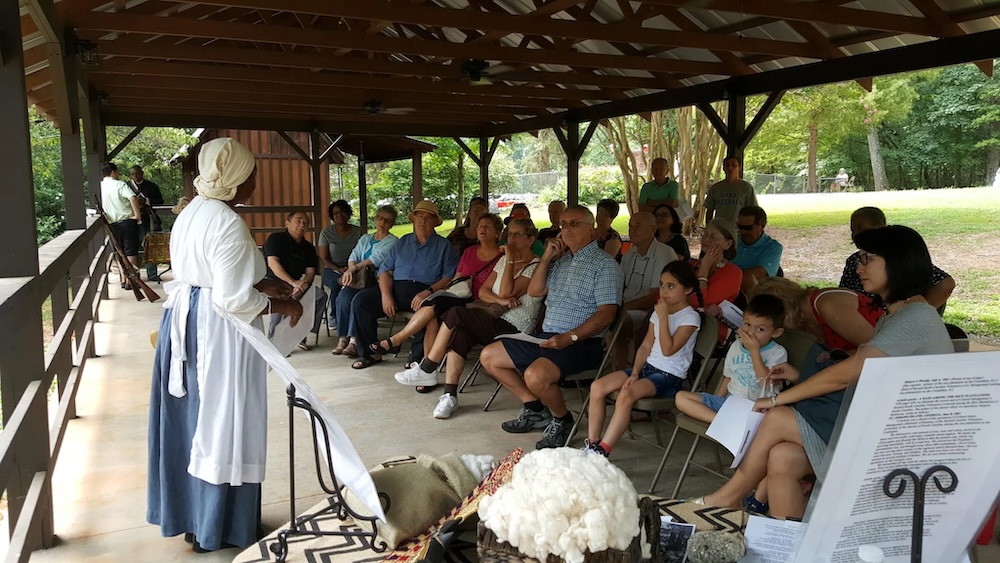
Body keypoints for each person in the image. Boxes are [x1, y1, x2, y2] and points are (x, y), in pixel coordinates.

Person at [695, 225, 952, 520]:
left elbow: (849, 372)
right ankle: (783, 543)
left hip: (899, 443)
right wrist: (798, 377)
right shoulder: (897, 315)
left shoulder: (915, 317)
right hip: (878, 428)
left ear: (898, 263)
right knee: (783, 458)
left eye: (868, 258)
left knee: (778, 416)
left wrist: (781, 398)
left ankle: (728, 497)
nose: (859, 265)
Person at [147, 137, 303, 553]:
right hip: (219, 331)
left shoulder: (193, 211)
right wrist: (281, 303)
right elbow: (234, 298)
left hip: (186, 322)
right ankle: (222, 525)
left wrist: (270, 288)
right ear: (237, 179)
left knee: (194, 420)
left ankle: (195, 519)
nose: (255, 180)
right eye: (251, 173)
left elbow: (227, 273)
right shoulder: (229, 223)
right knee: (225, 422)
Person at [479, 205, 623, 450]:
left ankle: (562, 419)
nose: (566, 229)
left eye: (574, 224)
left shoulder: (605, 265)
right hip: (546, 337)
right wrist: (545, 258)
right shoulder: (561, 261)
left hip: (581, 342)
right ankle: (535, 409)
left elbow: (607, 314)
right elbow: (535, 291)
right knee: (489, 356)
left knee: (535, 375)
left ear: (591, 230)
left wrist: (571, 337)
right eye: (564, 224)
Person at [393, 217, 543, 418]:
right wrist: (500, 300)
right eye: (509, 234)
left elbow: (507, 291)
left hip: (515, 328)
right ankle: (449, 396)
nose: (511, 239)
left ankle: (428, 367)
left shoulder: (535, 266)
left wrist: (510, 263)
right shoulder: (502, 261)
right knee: (460, 332)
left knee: (456, 313)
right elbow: (483, 293)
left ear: (531, 239)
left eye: (517, 234)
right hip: (493, 318)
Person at [584, 260, 701, 457]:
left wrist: (663, 317)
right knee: (597, 386)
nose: (664, 291)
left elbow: (667, 349)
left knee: (626, 394)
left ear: (688, 289)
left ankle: (602, 452)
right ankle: (592, 444)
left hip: (669, 377)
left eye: (671, 286)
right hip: (648, 369)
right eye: (662, 284)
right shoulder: (660, 311)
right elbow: (646, 345)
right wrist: (636, 372)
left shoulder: (689, 318)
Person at [367, 214, 503, 366]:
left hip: (481, 303)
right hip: (462, 296)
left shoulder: (502, 256)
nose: (482, 229)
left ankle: (402, 346)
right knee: (431, 306)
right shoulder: (469, 252)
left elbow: (451, 277)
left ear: (498, 233)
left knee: (431, 305)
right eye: (480, 226)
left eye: (487, 226)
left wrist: (431, 291)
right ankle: (422, 366)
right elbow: (456, 279)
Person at [350, 200, 459, 369]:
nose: (422, 221)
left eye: (427, 217)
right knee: (361, 302)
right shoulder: (402, 242)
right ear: (413, 219)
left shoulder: (444, 246)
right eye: (419, 216)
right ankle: (370, 353)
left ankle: (416, 359)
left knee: (428, 307)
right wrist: (386, 296)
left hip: (424, 291)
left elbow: (448, 277)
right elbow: (385, 271)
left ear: (434, 221)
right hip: (396, 289)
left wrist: (428, 291)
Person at [674, 294, 787, 423]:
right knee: (681, 397)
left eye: (760, 329)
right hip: (730, 403)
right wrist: (716, 400)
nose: (750, 332)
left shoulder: (777, 353)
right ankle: (721, 422)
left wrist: (754, 351)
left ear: (776, 332)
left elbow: (765, 384)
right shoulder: (736, 345)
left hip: (757, 409)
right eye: (747, 324)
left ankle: (726, 424)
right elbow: (728, 377)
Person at [839, 207, 955, 311]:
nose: (856, 234)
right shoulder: (852, 261)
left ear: (879, 227)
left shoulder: (897, 256)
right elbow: (842, 293)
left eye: (860, 228)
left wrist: (916, 312)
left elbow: (946, 284)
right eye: (853, 230)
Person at [331, 205, 399, 356]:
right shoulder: (365, 238)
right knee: (343, 298)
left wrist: (352, 269)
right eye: (380, 218)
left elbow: (374, 260)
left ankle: (354, 341)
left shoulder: (393, 241)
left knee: (358, 300)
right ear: (375, 219)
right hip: (358, 280)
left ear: (392, 224)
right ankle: (343, 338)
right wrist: (350, 269)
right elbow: (353, 256)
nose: (383, 222)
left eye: (387, 221)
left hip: (377, 281)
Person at [614, 212, 678, 368]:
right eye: (630, 226)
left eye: (638, 226)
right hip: (628, 308)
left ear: (652, 229)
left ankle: (624, 371)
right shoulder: (629, 254)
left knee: (617, 321)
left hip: (653, 312)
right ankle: (617, 370)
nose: (632, 230)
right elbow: (617, 286)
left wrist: (622, 309)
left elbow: (655, 296)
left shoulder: (664, 253)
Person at [263, 211, 328, 351]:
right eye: (298, 221)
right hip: (273, 282)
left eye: (305, 222)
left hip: (298, 283)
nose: (302, 225)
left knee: (320, 296)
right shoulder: (276, 239)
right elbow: (273, 264)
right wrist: (293, 283)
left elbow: (310, 272)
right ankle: (274, 340)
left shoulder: (308, 247)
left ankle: (299, 334)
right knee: (282, 297)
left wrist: (303, 285)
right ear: (287, 223)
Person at [692, 219, 742, 338]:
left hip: (708, 335)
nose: (706, 239)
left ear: (728, 244)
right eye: (705, 234)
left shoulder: (732, 273)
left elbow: (699, 301)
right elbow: (663, 296)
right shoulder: (691, 266)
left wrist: (704, 268)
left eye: (713, 237)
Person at [318, 200, 362, 326]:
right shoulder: (326, 233)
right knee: (337, 282)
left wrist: (350, 269)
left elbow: (363, 251)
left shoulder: (358, 232)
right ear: (332, 216)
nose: (339, 215)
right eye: (335, 213)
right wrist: (339, 269)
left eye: (342, 212)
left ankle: (355, 314)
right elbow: (324, 259)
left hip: (354, 267)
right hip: (331, 268)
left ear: (348, 214)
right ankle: (334, 315)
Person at [101, 162, 143, 289]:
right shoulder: (120, 184)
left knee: (120, 253)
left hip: (112, 224)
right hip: (127, 221)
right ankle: (133, 281)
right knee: (130, 252)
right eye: (117, 171)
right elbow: (132, 197)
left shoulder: (100, 186)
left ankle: (124, 279)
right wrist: (137, 215)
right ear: (113, 172)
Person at [732, 206, 783, 294]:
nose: (743, 232)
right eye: (740, 227)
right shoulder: (731, 241)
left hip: (754, 295)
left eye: (748, 228)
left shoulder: (773, 248)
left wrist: (725, 274)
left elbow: (756, 275)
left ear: (762, 226)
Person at [129, 165, 165, 281]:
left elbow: (160, 201)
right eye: (133, 174)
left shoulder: (151, 186)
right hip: (132, 221)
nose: (135, 176)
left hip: (147, 221)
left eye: (137, 173)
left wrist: (146, 201)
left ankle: (152, 274)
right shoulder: (127, 187)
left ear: (142, 173)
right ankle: (135, 275)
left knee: (150, 247)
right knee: (132, 247)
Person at [705, 156, 758, 226]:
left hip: (739, 230)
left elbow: (753, 211)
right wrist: (709, 227)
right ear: (724, 168)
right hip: (720, 229)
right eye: (727, 165)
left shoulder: (746, 188)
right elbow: (709, 211)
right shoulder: (715, 188)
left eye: (734, 165)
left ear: (739, 168)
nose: (730, 167)